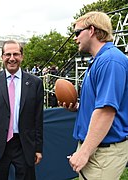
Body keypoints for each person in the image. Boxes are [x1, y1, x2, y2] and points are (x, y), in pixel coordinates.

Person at [61, 11, 128, 180]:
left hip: (104, 150)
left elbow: (107, 111)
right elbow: (101, 104)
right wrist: (78, 107)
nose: (75, 38)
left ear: (91, 30)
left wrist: (84, 152)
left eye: (77, 32)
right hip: (97, 147)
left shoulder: (111, 60)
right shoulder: (100, 59)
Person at [0, 40, 44, 180]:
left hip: (24, 144)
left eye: (16, 54)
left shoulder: (35, 83)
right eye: (8, 54)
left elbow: (38, 119)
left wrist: (38, 148)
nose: (12, 58)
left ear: (22, 56)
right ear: (2, 57)